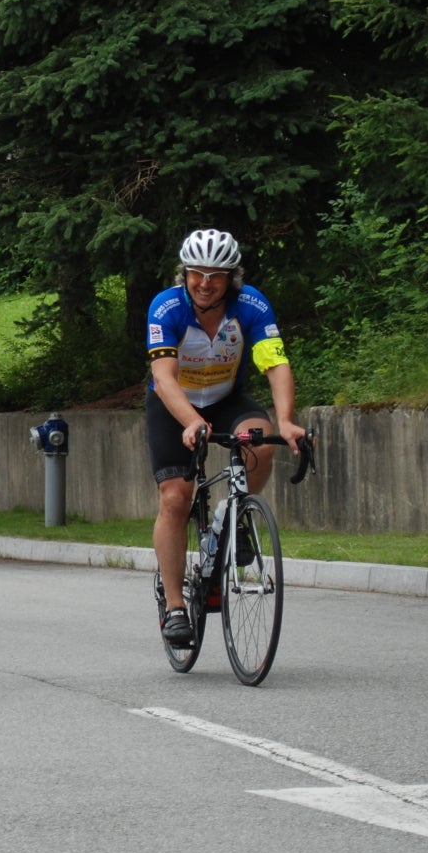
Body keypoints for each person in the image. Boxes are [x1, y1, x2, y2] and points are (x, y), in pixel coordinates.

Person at [146, 228, 305, 647]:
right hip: (173, 404)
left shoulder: (249, 304)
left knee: (260, 437)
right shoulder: (166, 306)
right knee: (176, 498)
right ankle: (176, 606)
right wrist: (190, 420)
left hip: (226, 397)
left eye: (215, 275)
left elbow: (275, 362)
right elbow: (163, 378)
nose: (204, 283)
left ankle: (229, 520)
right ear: (185, 274)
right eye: (196, 273)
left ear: (231, 278)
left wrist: (286, 420)